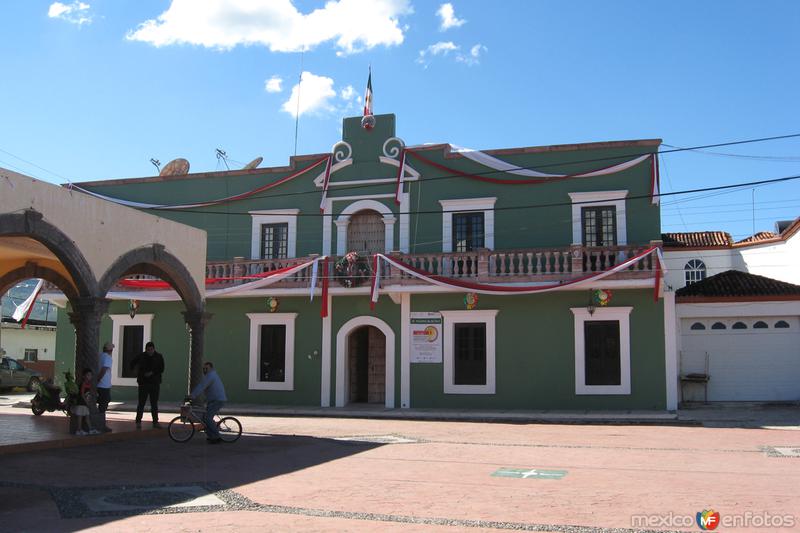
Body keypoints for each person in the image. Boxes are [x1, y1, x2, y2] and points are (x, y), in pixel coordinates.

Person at [189, 362, 227, 444]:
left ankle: (216, 436)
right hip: (214, 400)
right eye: (204, 368)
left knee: (208, 418)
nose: (205, 370)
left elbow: (201, 386)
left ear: (211, 369)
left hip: (218, 400)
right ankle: (211, 436)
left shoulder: (211, 376)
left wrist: (192, 395)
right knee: (204, 418)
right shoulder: (209, 376)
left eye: (206, 368)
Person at [130, 341, 165, 429]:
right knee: (141, 403)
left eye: (151, 350)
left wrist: (152, 373)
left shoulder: (159, 357)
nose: (150, 351)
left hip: (154, 383)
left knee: (154, 403)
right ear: (146, 350)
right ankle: (138, 421)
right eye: (148, 350)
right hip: (143, 383)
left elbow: (162, 368)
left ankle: (155, 421)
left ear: (154, 349)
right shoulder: (141, 356)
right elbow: (132, 363)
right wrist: (136, 372)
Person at [71, 369, 100, 436]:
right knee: (80, 417)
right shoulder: (84, 383)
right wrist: (86, 401)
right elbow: (82, 393)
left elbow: (87, 394)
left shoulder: (88, 384)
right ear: (84, 376)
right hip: (81, 402)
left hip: (85, 403)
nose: (90, 376)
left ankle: (90, 429)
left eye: (90, 375)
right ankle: (79, 430)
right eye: (88, 375)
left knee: (87, 416)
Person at [94, 341, 113, 432]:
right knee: (103, 405)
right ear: (110, 350)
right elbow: (104, 370)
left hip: (98, 385)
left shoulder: (99, 355)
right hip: (104, 385)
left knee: (100, 403)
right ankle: (101, 425)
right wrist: (98, 379)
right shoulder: (108, 358)